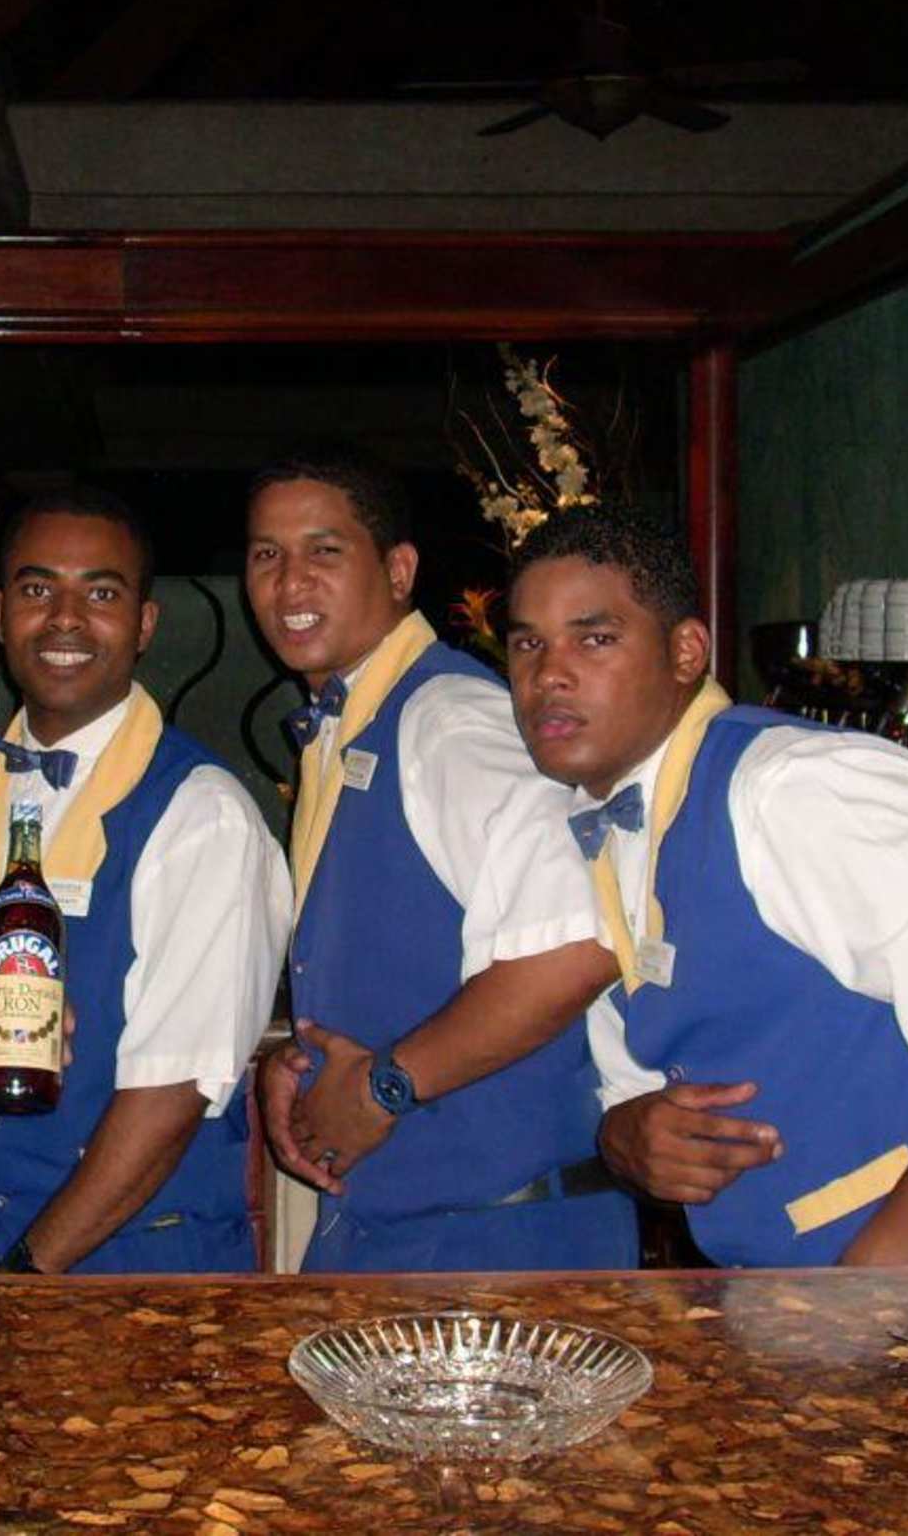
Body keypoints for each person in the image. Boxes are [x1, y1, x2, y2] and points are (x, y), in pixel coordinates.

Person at [504, 506, 908, 1265]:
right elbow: (640, 1091)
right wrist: (626, 1137)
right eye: (528, 643)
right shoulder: (597, 829)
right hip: (782, 1301)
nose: (549, 673)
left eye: (595, 638)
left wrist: (871, 1282)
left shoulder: (789, 789)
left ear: (686, 651)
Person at [246, 448, 638, 1272]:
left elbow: (588, 939)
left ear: (398, 571)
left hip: (500, 1252)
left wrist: (386, 1086)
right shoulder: (351, 730)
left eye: (324, 551)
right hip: (402, 1241)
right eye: (266, 555)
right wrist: (304, 1067)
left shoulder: (448, 721)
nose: (290, 582)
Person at [0, 487, 288, 1274]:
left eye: (101, 594)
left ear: (144, 624)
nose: (65, 619)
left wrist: (23, 1278)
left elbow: (170, 1095)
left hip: (143, 1269)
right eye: (38, 590)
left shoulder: (202, 814)